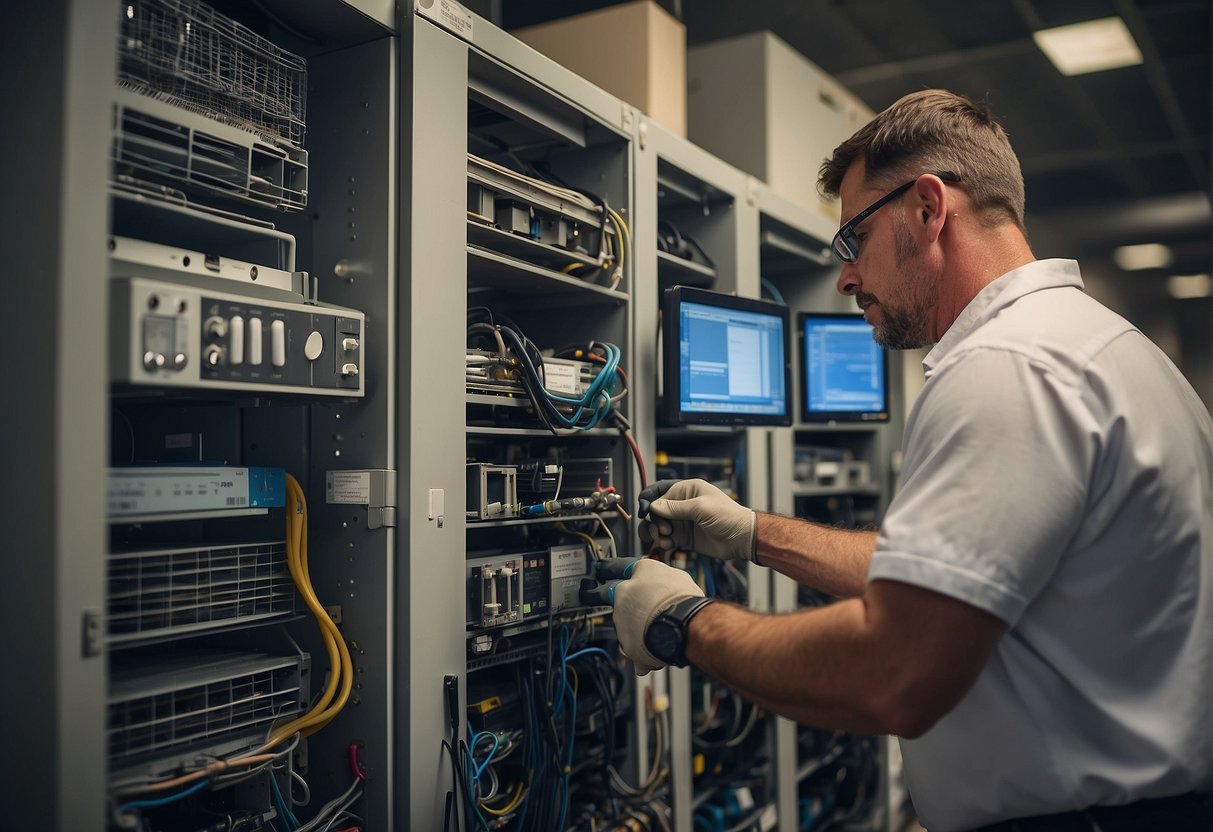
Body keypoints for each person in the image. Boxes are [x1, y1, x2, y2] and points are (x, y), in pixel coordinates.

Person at [594, 90, 1213, 831]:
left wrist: (680, 623)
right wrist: (752, 531)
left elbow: (893, 670)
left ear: (927, 208)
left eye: (852, 240)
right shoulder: (1097, 344)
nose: (846, 278)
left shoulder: (1009, 369)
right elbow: (958, 574)